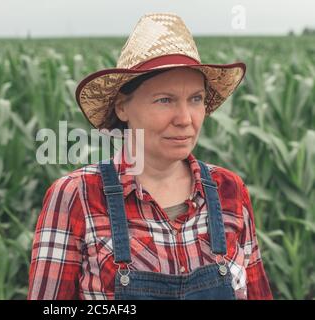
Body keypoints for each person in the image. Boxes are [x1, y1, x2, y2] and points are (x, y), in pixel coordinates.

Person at [27, 12, 273, 300]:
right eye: (165, 100)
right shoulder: (76, 197)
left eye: (195, 99)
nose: (185, 119)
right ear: (122, 108)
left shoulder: (229, 190)